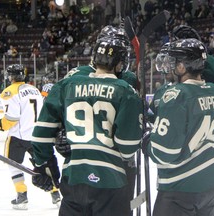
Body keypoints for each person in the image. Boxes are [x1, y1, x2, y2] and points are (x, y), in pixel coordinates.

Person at [30, 36, 143, 216]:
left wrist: (42, 163)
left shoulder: (66, 85)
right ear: (120, 64)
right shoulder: (124, 90)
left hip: (74, 177)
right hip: (111, 180)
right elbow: (128, 147)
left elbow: (41, 134)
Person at [144, 38, 214, 216]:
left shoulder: (176, 95)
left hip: (181, 186)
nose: (171, 67)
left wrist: (147, 144)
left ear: (182, 67)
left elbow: (163, 152)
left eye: (173, 63)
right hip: (213, 182)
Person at [0, 64, 60, 209]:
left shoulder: (9, 92)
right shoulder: (34, 89)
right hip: (37, 135)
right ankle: (55, 194)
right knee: (43, 165)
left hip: (18, 137)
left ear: (10, 76)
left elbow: (11, 119)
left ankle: (22, 196)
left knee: (13, 164)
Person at [149, 25, 214, 120]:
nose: (165, 67)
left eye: (170, 61)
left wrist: (195, 51)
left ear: (181, 64)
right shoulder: (162, 91)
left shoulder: (190, 93)